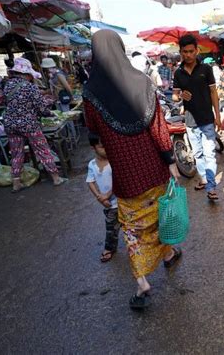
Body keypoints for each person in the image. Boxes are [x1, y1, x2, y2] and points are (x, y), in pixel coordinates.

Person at [83, 30, 182, 310]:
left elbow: (92, 134)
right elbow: (160, 129)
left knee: (133, 230)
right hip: (154, 169)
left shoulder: (90, 93)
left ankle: (144, 282)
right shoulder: (142, 82)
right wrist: (171, 162)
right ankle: (167, 253)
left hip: (126, 177)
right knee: (158, 216)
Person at [3, 57, 67, 192]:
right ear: (26, 74)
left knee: (16, 153)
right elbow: (42, 109)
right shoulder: (30, 87)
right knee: (42, 150)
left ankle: (16, 183)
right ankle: (56, 178)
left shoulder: (7, 85)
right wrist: (51, 113)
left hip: (10, 124)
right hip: (29, 124)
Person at [172, 34, 221, 201]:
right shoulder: (178, 73)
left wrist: (218, 116)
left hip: (207, 119)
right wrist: (180, 97)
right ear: (180, 52)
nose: (188, 55)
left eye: (191, 51)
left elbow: (214, 93)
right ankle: (203, 179)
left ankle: (211, 187)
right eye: (184, 52)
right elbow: (174, 96)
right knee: (198, 154)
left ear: (196, 50)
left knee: (210, 154)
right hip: (190, 120)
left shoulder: (206, 70)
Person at [86, 133, 120, 263]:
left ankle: (137, 246)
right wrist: (100, 198)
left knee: (132, 227)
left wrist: (107, 195)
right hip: (109, 205)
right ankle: (109, 248)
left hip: (122, 201)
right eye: (102, 147)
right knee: (110, 229)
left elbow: (119, 180)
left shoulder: (114, 161)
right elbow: (90, 181)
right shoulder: (92, 165)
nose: (106, 149)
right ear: (93, 148)